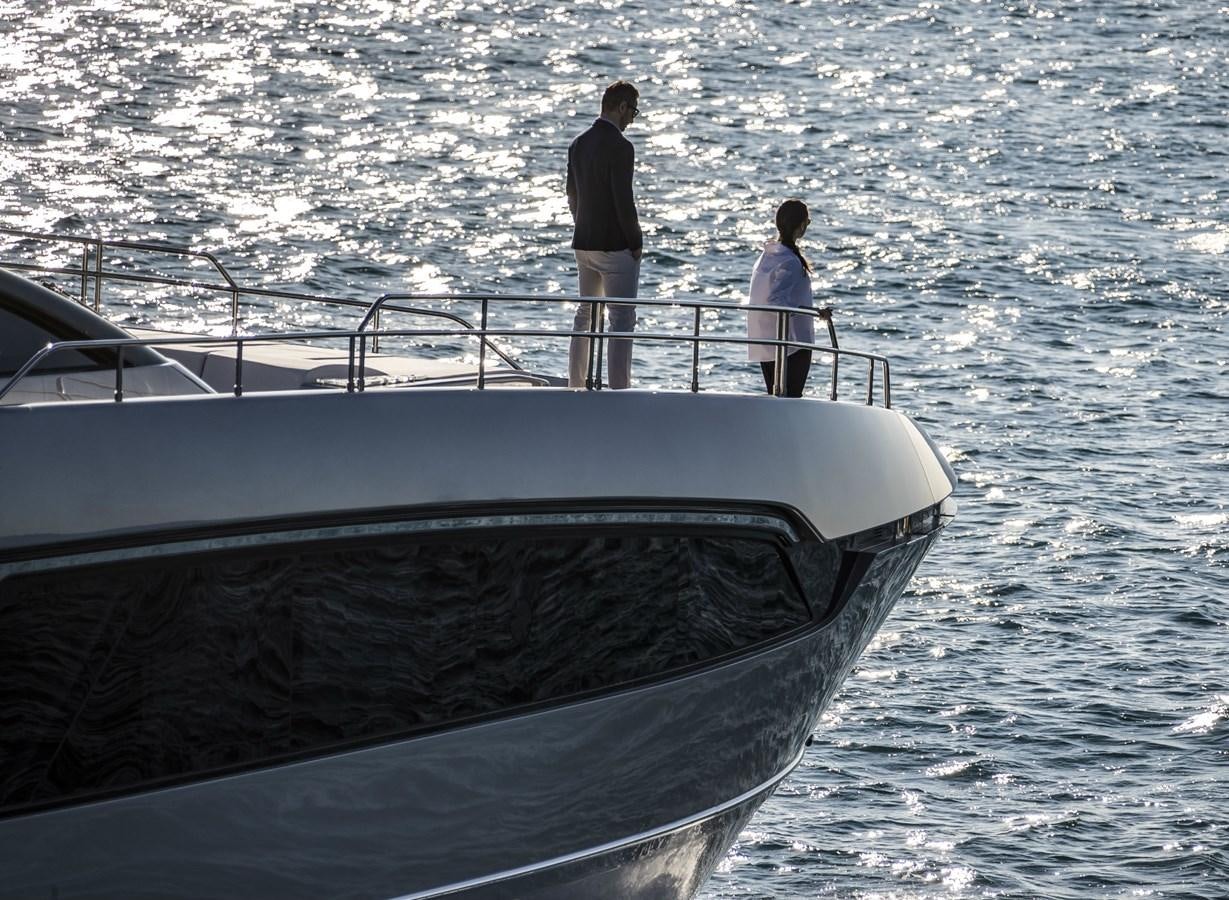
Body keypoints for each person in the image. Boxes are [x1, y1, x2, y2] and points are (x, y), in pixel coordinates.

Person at [565, 80, 643, 389]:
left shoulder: (579, 143)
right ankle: (619, 390)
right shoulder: (621, 147)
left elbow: (572, 194)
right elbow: (623, 199)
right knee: (622, 320)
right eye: (633, 110)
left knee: (585, 314)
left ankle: (576, 383)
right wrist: (635, 241)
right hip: (614, 248)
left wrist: (582, 224)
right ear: (622, 107)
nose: (633, 119)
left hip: (584, 243)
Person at [747, 199, 826, 397]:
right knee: (790, 398)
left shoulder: (768, 255)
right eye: (807, 222)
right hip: (791, 346)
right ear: (800, 226)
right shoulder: (789, 261)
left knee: (776, 398)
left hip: (765, 343)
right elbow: (776, 302)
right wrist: (813, 313)